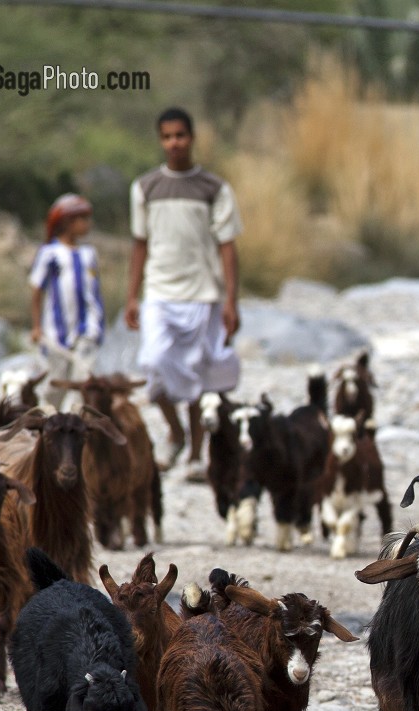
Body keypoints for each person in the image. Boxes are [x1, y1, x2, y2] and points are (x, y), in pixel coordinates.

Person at [125, 106, 242, 474]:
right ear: (160, 141)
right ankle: (175, 432)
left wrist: (231, 301)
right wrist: (131, 297)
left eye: (180, 135)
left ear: (191, 138)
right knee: (154, 361)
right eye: (167, 137)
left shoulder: (214, 189)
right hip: (159, 291)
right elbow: (140, 243)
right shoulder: (145, 187)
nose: (174, 143)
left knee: (196, 372)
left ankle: (195, 453)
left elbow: (227, 246)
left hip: (202, 293)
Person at [29, 193, 104, 410]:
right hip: (57, 331)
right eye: (83, 219)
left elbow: (95, 290)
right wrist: (36, 326)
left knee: (85, 380)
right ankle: (49, 419)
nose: (88, 224)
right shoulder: (50, 253)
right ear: (67, 222)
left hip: (87, 327)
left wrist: (99, 323)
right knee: (56, 381)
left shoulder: (89, 254)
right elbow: (37, 290)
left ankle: (80, 421)